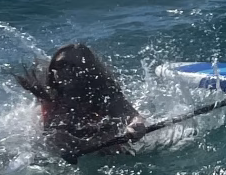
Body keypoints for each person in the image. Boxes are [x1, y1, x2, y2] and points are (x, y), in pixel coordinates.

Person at [15, 43, 147, 162]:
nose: (65, 70)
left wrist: (136, 125)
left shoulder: (104, 94)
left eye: (73, 66)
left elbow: (131, 115)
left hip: (104, 150)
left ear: (87, 69)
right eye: (60, 65)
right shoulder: (48, 96)